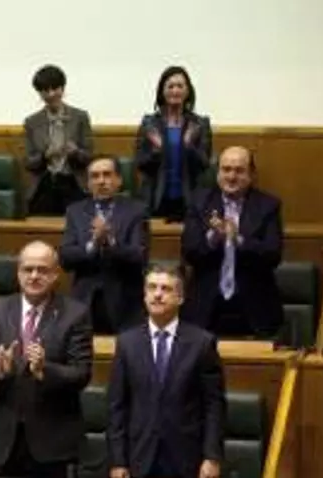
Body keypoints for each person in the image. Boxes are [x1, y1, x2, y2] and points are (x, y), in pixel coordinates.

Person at [0, 241, 93, 478]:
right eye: (28, 269)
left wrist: (45, 370)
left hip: (53, 444)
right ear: (18, 273)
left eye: (42, 270)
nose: (34, 276)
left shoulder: (75, 314)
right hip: (5, 442)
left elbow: (82, 373)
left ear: (55, 274)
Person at [107, 263, 225, 478]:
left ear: (180, 298)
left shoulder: (201, 343)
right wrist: (117, 460)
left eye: (166, 289)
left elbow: (213, 405)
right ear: (144, 295)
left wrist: (212, 457)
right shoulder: (127, 343)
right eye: (152, 287)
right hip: (139, 456)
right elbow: (117, 407)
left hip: (186, 457)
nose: (158, 295)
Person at [181, 146, 284, 338]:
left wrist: (239, 240)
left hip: (255, 307)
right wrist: (213, 238)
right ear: (218, 172)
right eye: (226, 169)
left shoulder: (268, 205)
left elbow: (273, 255)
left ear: (251, 175)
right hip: (204, 307)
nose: (231, 176)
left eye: (239, 170)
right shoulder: (199, 202)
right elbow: (189, 252)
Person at [59, 154, 150, 334]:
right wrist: (93, 244)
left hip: (125, 302)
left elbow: (140, 255)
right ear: (88, 183)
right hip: (85, 300)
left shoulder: (137, 211)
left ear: (119, 180)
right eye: (95, 176)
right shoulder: (75, 211)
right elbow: (66, 257)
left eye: (107, 175)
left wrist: (110, 243)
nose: (101, 181)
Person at [135, 65, 212, 221]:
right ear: (162, 91)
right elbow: (140, 163)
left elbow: (204, 164)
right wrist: (157, 150)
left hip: (189, 199)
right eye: (170, 86)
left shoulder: (200, 124)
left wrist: (189, 146)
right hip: (156, 200)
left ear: (188, 91)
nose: (175, 91)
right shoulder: (149, 123)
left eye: (180, 86)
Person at [23, 64, 93, 216]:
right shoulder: (32, 122)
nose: (51, 94)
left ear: (63, 88)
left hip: (74, 183)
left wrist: (75, 152)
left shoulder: (80, 117)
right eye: (45, 90)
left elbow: (89, 157)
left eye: (55, 88)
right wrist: (45, 156)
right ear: (39, 93)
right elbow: (29, 162)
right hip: (45, 184)